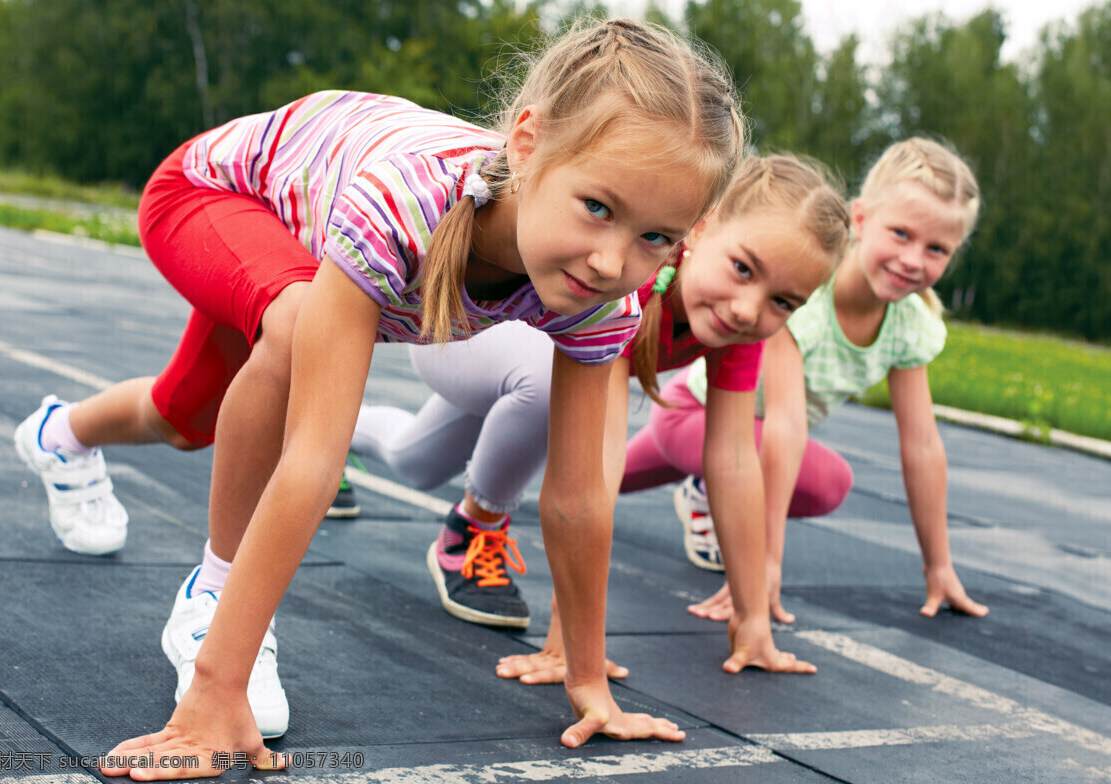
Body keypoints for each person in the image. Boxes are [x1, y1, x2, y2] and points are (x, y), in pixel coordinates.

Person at [70, 18, 745, 780]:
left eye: (657, 238)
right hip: (213, 195)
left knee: (182, 417)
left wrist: (584, 673)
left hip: (294, 244)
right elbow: (314, 460)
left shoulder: (602, 297)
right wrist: (215, 692)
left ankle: (62, 435)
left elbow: (580, 494)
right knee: (290, 330)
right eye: (598, 207)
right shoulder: (408, 206)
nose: (612, 259)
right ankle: (213, 610)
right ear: (527, 143)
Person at [354, 155, 849, 680]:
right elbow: (597, 467)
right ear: (701, 230)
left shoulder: (737, 327)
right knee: (553, 390)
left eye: (783, 301)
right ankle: (474, 526)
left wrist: (754, 622)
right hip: (454, 333)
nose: (750, 309)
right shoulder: (628, 281)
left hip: (511, 366)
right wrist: (568, 644)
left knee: (415, 460)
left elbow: (733, 461)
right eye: (743, 269)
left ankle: (350, 435)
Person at [643, 138, 990, 633]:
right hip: (696, 415)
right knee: (597, 477)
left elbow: (922, 445)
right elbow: (784, 423)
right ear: (862, 220)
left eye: (936, 249)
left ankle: (702, 487)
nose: (914, 259)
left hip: (740, 437)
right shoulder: (800, 293)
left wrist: (939, 567)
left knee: (829, 482)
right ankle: (705, 489)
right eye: (901, 234)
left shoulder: (909, 324)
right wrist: (763, 562)